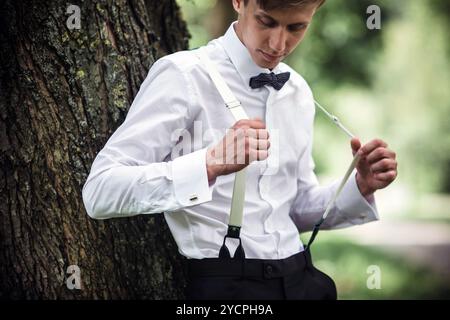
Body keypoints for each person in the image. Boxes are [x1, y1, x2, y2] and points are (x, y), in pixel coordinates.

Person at [82, 0, 398, 300]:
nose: (278, 44)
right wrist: (209, 163)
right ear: (238, 2)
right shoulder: (184, 75)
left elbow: (293, 208)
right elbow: (100, 192)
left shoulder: (298, 91)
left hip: (304, 280)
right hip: (228, 289)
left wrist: (359, 186)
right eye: (267, 21)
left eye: (296, 28)